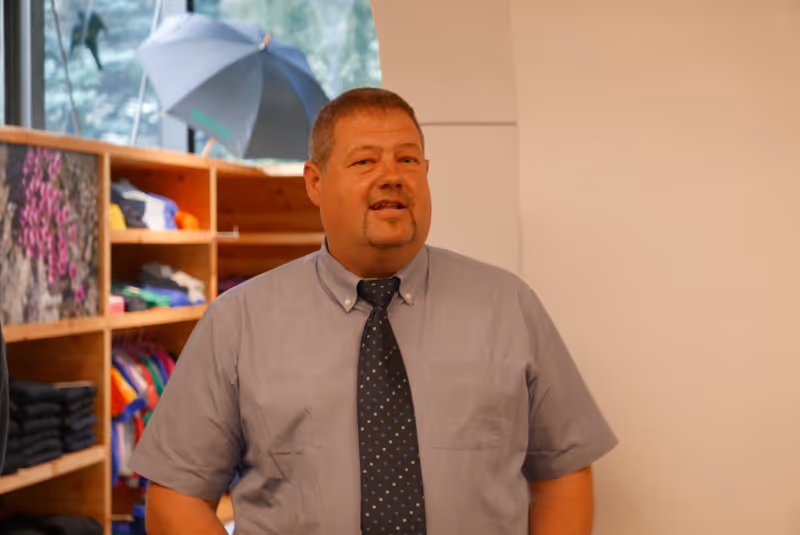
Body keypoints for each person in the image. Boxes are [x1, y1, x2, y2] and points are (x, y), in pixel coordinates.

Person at [131, 88, 618, 535]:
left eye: (408, 159)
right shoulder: (237, 323)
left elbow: (564, 471)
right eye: (364, 161)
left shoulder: (507, 307)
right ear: (315, 182)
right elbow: (176, 496)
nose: (392, 176)